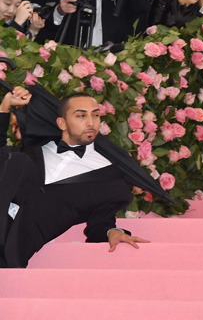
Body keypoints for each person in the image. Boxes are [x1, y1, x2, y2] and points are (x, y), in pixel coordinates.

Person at [0, 89, 149, 267]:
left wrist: (113, 232)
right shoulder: (36, 148)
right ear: (62, 123)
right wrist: (4, 108)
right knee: (16, 159)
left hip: (14, 246)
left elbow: (100, 221)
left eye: (95, 116)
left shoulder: (108, 175)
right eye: (81, 116)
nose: (90, 123)